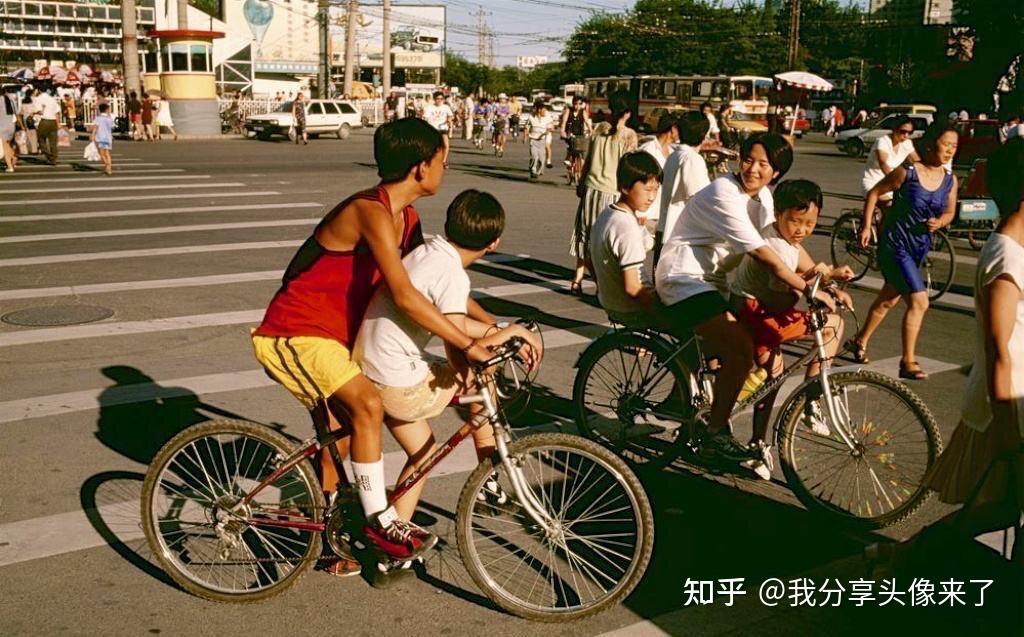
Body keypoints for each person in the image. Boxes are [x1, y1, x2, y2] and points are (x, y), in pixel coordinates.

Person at [251, 118, 493, 574]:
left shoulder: (408, 218)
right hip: (297, 332)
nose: (446, 167)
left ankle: (330, 537)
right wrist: (465, 341)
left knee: (341, 440)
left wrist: (488, 324)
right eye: (443, 159)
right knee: (366, 409)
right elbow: (403, 295)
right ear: (421, 168)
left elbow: (428, 288)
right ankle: (380, 520)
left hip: (340, 339)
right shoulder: (371, 211)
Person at [867, 137, 1024, 575]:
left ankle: (904, 557)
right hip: (1006, 407)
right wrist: (1009, 436)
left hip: (1012, 400)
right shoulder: (1006, 259)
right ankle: (905, 558)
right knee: (995, 509)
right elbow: (999, 354)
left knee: (1003, 509)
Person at [354, 189, 542, 524]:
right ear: (494, 242)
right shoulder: (452, 273)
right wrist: (510, 332)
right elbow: (454, 330)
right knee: (480, 383)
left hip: (373, 364)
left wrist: (495, 332)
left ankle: (392, 535)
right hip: (397, 380)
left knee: (423, 453)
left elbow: (453, 324)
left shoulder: (431, 251)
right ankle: (490, 478)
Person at [655, 134, 837, 463]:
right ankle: (715, 433)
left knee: (751, 357)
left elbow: (784, 240)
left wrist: (823, 275)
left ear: (776, 172)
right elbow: (766, 255)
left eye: (763, 164)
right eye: (748, 159)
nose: (752, 169)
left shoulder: (763, 198)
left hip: (716, 283)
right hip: (684, 280)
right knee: (741, 347)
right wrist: (809, 288)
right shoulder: (724, 193)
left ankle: (712, 419)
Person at [728, 180, 854, 479]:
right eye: (795, 221)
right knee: (830, 326)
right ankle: (810, 400)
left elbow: (811, 271)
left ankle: (760, 444)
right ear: (778, 215)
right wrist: (815, 291)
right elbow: (784, 296)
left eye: (810, 223)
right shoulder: (777, 247)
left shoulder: (787, 242)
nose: (802, 230)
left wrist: (832, 283)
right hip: (756, 312)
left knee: (773, 376)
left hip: (762, 311)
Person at [847, 123, 959, 380]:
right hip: (895, 243)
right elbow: (875, 193)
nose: (950, 150)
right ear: (931, 145)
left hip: (920, 246)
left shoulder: (950, 180)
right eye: (946, 144)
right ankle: (907, 361)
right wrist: (866, 226)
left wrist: (940, 222)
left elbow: (950, 212)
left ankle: (859, 340)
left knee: (889, 298)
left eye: (954, 146)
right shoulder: (907, 173)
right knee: (920, 301)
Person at [569, 89, 638, 294]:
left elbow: (588, 161)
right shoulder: (629, 137)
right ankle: (602, 284)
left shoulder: (599, 129)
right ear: (627, 113)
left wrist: (581, 183)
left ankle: (577, 279)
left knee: (586, 235)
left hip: (591, 189)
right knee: (603, 241)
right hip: (612, 193)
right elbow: (628, 170)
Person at [590, 151, 665, 328]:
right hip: (632, 309)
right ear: (625, 187)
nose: (652, 197)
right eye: (647, 190)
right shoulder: (626, 226)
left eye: (656, 189)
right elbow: (632, 287)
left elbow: (588, 259)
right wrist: (661, 312)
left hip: (610, 302)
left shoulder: (607, 215)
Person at [655, 111, 711, 265]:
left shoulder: (674, 156)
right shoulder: (692, 159)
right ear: (704, 135)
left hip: (665, 229)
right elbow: (700, 200)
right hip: (680, 237)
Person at [637, 113, 679, 248]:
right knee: (638, 251)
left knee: (660, 255)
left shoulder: (674, 153)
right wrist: (639, 212)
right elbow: (638, 181)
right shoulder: (648, 149)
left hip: (664, 213)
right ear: (672, 129)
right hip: (646, 213)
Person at [861, 115, 921, 207]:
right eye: (903, 131)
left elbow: (918, 162)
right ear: (894, 129)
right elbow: (883, 164)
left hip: (892, 185)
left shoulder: (907, 143)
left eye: (910, 132)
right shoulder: (883, 141)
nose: (906, 135)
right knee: (890, 205)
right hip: (874, 183)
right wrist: (896, 180)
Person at [560, 95, 591, 186]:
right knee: (571, 149)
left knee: (580, 153)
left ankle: (579, 173)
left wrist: (591, 131)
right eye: (575, 104)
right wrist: (562, 131)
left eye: (579, 104)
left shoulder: (583, 112)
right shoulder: (568, 111)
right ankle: (569, 164)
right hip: (570, 134)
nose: (576, 106)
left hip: (580, 135)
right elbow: (564, 122)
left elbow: (587, 122)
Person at [422, 92, 453, 167]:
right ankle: (428, 160)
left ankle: (444, 161)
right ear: (434, 99)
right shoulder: (429, 107)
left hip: (442, 128)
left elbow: (451, 116)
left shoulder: (446, 107)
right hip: (432, 128)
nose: (439, 100)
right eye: (437, 99)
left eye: (441, 99)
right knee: (431, 146)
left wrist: (449, 120)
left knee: (446, 145)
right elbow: (425, 118)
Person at [33, 88, 63, 165]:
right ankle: (54, 159)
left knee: (41, 139)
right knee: (53, 142)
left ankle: (48, 155)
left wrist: (34, 113)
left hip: (44, 121)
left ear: (39, 90)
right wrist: (58, 123)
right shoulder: (52, 99)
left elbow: (38, 111)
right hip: (53, 122)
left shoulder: (38, 99)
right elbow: (57, 112)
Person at [524, 100, 552, 181]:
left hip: (542, 141)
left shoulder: (546, 118)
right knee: (534, 157)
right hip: (533, 140)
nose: (545, 112)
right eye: (543, 110)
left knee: (541, 160)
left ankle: (537, 170)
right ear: (539, 110)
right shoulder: (531, 117)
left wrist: (549, 129)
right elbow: (527, 127)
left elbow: (551, 126)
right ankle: (533, 171)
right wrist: (525, 137)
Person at [90, 102, 114, 176]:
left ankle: (107, 165)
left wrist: (92, 135)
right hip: (108, 138)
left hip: (101, 137)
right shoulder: (109, 118)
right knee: (107, 153)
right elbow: (111, 127)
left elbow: (95, 128)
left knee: (101, 153)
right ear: (106, 110)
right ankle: (109, 167)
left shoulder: (98, 118)